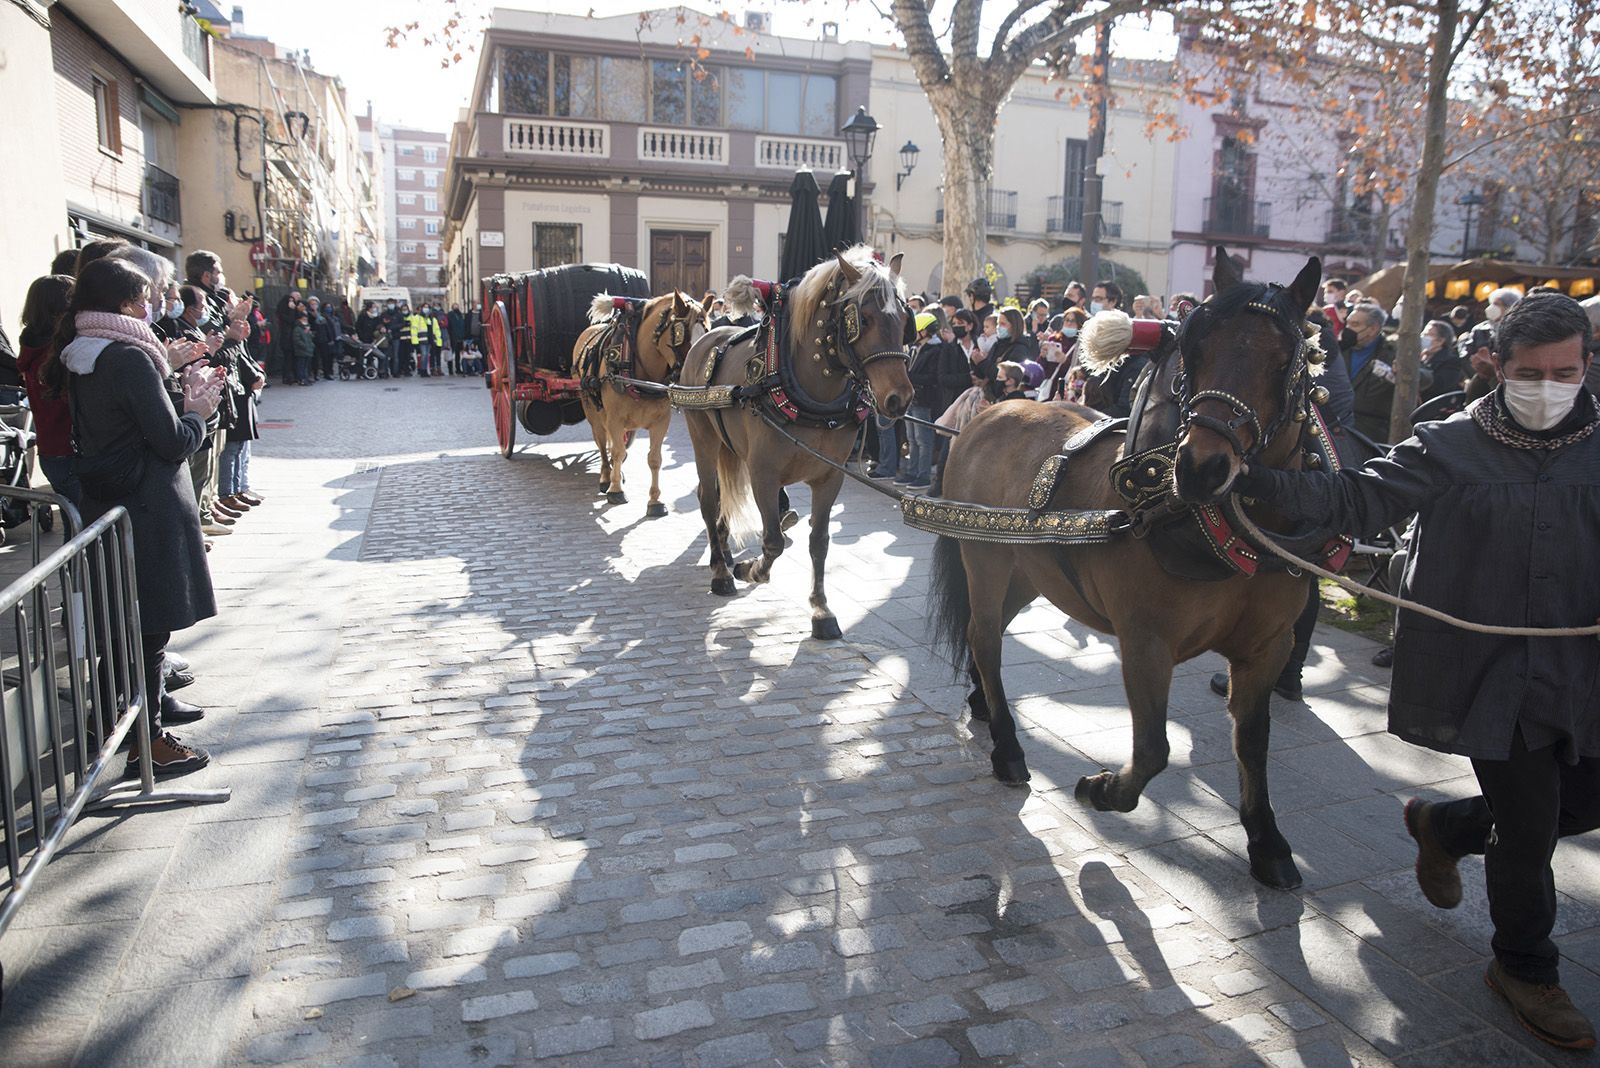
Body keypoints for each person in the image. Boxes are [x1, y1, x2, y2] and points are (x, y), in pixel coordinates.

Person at [1235, 292, 1600, 1051]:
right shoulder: (1449, 444)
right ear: (1496, 365)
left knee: (1582, 801)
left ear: (1587, 364)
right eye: (1531, 372)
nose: (1549, 385)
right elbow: (1356, 497)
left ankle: (1446, 824)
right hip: (1494, 671)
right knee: (1530, 829)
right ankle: (1525, 966)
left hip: (1586, 667)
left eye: (1565, 371)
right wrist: (1253, 480)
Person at [45, 256, 223, 777]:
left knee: (126, 632)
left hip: (113, 502)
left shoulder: (84, 351)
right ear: (124, 304)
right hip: (148, 507)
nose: (153, 307)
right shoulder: (127, 358)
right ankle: (148, 744)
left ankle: (112, 727)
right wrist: (197, 412)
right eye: (146, 298)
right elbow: (169, 442)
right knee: (147, 633)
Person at [17, 275, 79, 507]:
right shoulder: (56, 353)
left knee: (76, 530)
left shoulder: (31, 346)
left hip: (51, 452)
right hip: (70, 451)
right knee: (88, 531)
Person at [1344, 301, 1431, 442]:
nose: (1348, 329)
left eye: (1355, 325)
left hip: (1372, 430)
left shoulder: (1394, 351)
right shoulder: (1341, 349)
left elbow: (1427, 376)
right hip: (1338, 423)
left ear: (1373, 328)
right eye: (1347, 323)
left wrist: (1406, 371)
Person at [1419, 319, 1466, 401]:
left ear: (1440, 341)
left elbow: (1436, 386)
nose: (1423, 337)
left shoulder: (1451, 361)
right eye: (1423, 334)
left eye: (1427, 335)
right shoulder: (1422, 357)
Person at [292, 309, 315, 385]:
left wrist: (311, 345)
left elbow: (310, 338)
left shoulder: (307, 328)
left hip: (308, 350)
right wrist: (304, 346)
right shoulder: (297, 329)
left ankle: (305, 378)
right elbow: (297, 340)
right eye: (303, 319)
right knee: (301, 365)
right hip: (302, 350)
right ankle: (301, 379)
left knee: (306, 366)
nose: (305, 321)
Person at [447, 303, 466, 374]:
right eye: (455, 306)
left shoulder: (460, 315)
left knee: (458, 354)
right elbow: (449, 326)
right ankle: (450, 369)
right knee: (451, 354)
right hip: (452, 337)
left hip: (460, 337)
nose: (456, 307)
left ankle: (458, 369)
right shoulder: (450, 315)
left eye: (457, 306)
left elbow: (462, 325)